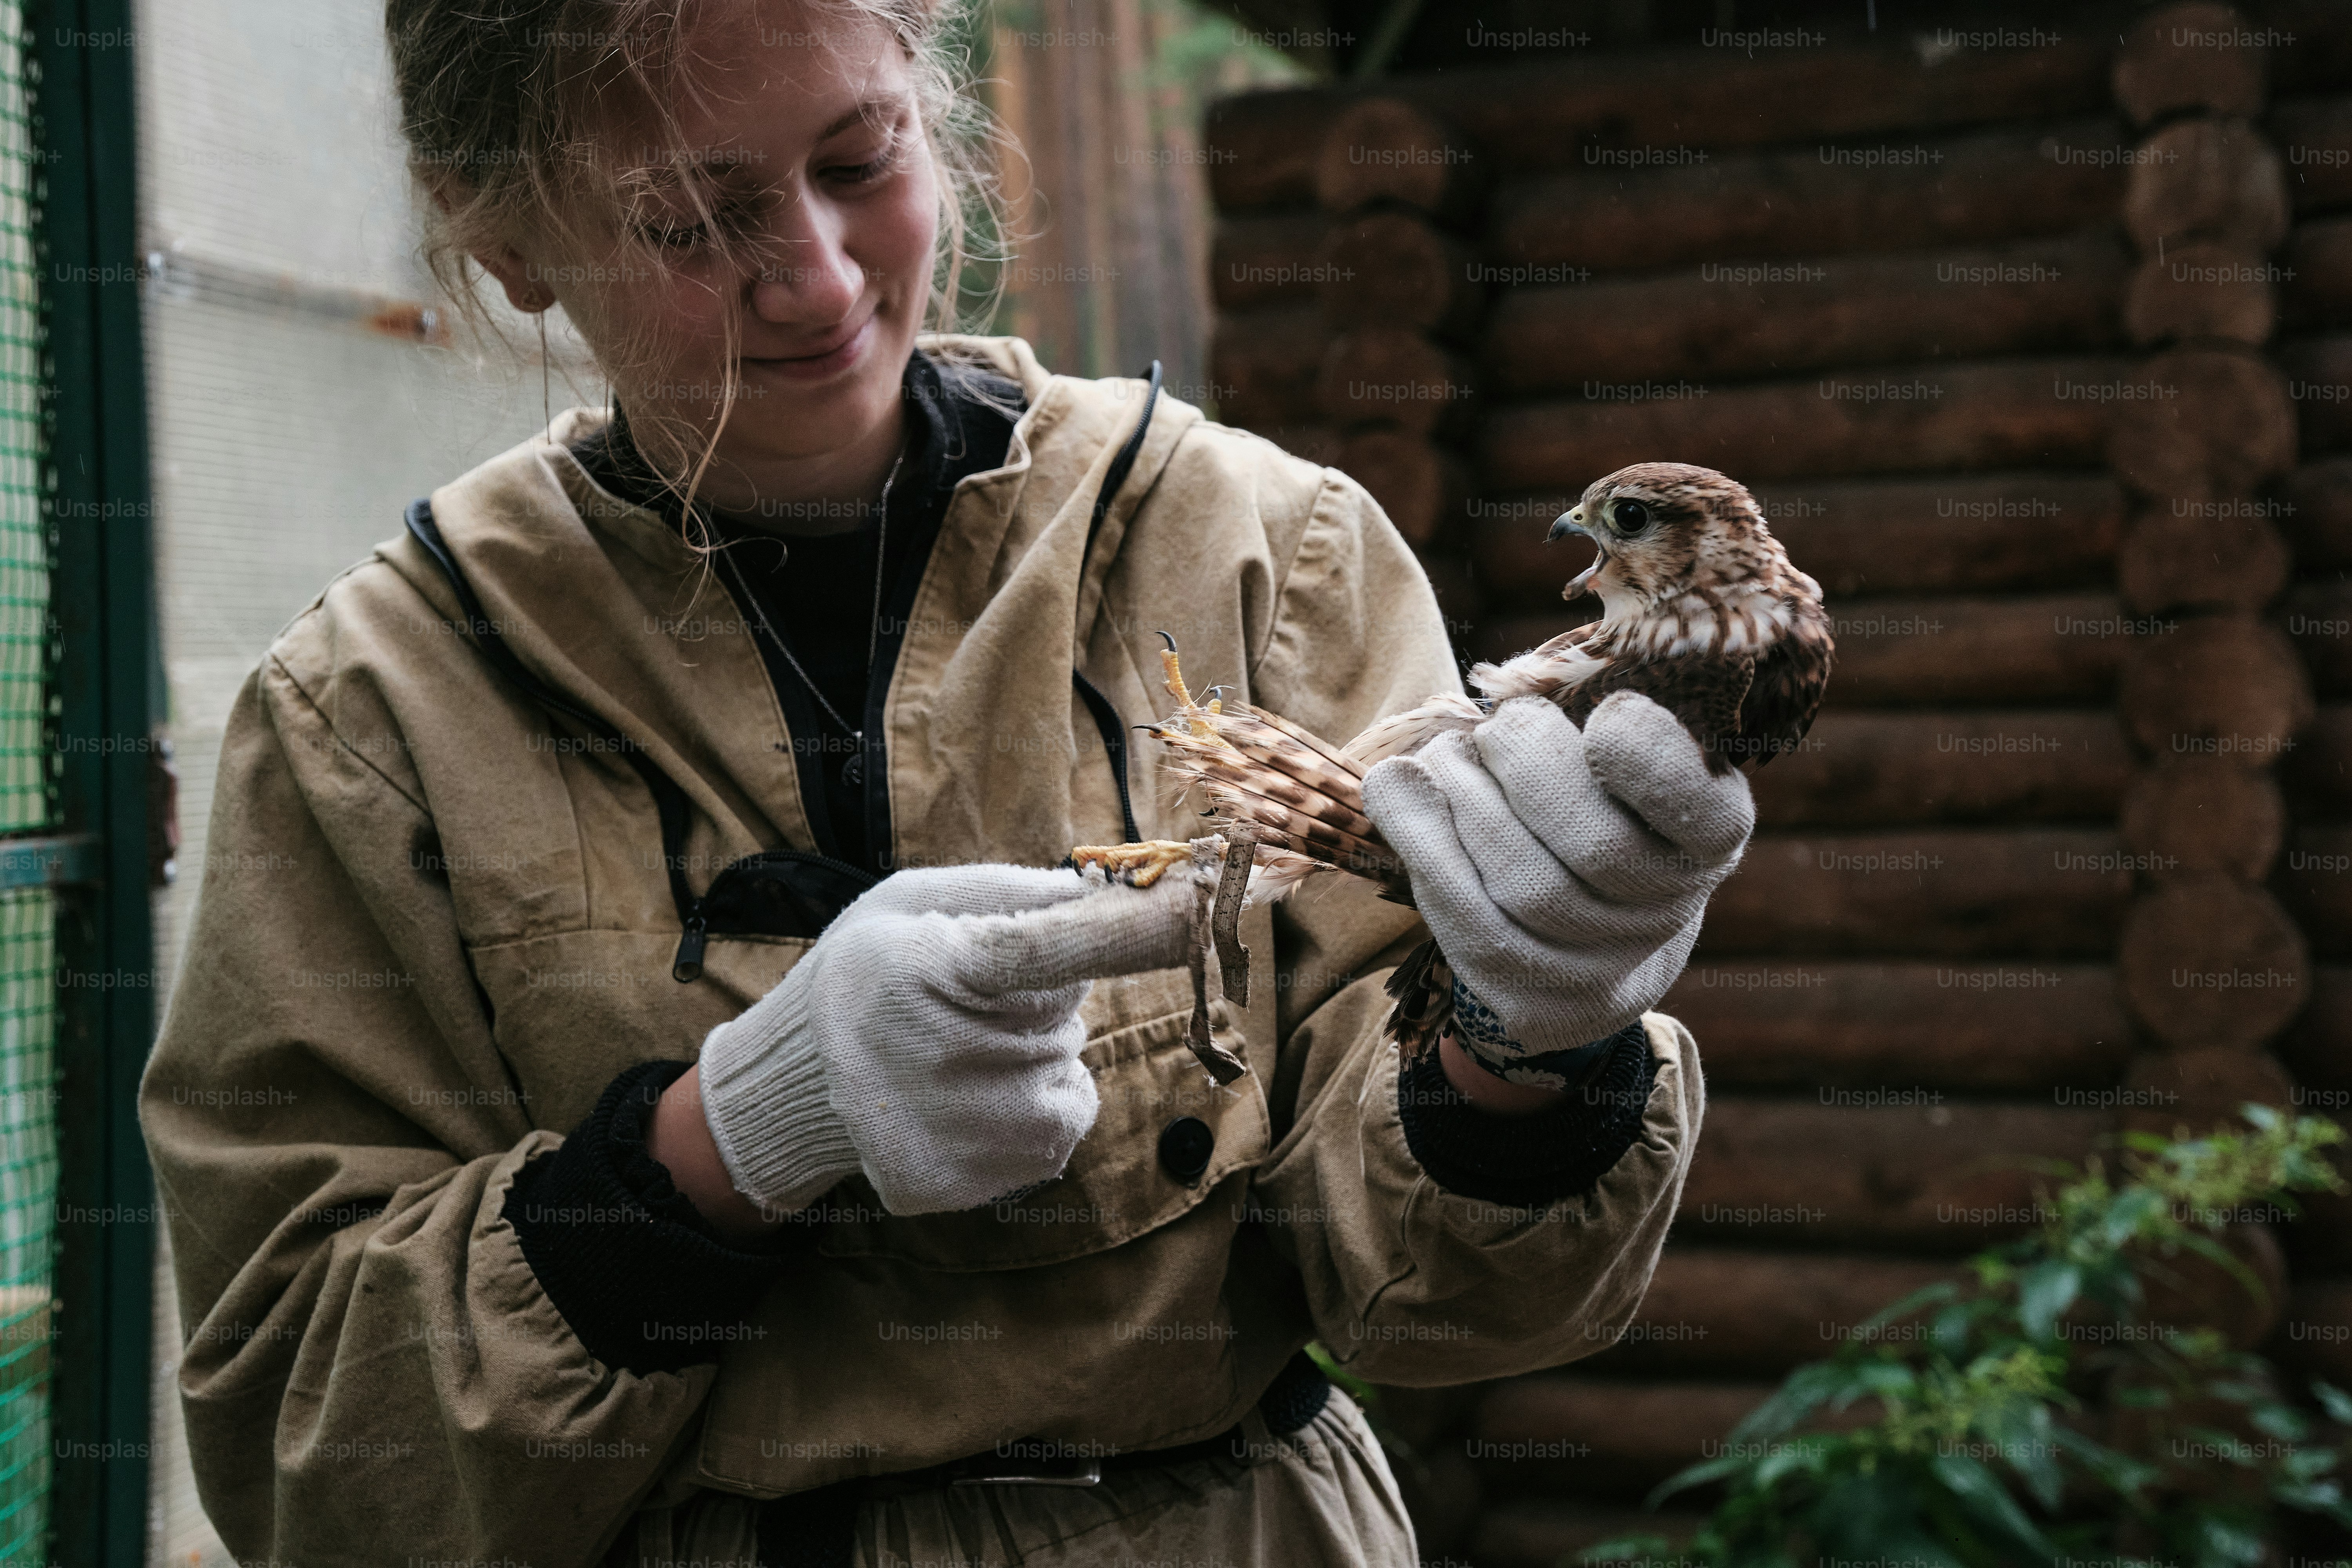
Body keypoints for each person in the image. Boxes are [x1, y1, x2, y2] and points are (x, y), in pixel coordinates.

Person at [138, 0, 1754, 1563]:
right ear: (501, 236)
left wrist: (1527, 1042)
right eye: (692, 224)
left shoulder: (1262, 551)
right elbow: (316, 1463)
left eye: (860, 160)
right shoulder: (378, 707)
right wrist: (729, 1143)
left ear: (933, 92)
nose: (818, 279)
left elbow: (1441, 1301)